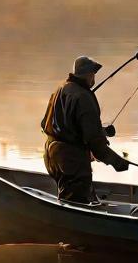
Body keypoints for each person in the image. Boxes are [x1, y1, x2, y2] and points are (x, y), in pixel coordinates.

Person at [42, 55, 130, 203]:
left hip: (51, 155)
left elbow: (49, 124)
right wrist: (117, 162)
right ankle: (69, 224)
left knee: (68, 195)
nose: (94, 77)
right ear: (89, 75)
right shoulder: (83, 97)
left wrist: (103, 131)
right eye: (93, 74)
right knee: (75, 202)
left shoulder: (60, 90)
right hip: (72, 160)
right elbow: (96, 144)